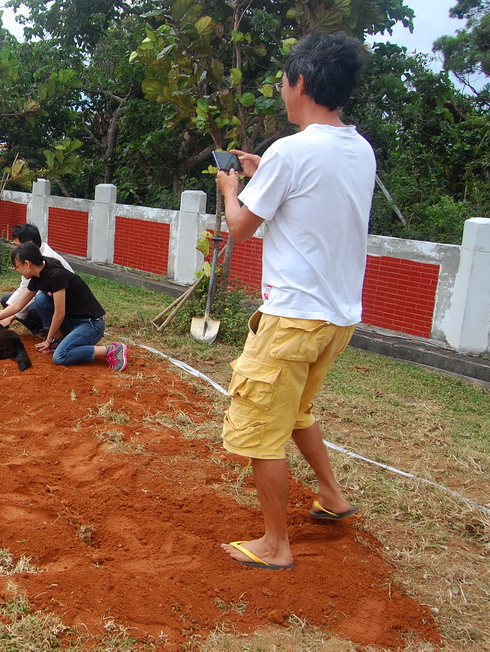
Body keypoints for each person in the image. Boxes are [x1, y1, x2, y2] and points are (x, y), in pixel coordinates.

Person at [214, 30, 374, 571]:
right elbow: (313, 199)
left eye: (283, 81)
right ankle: (332, 496)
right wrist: (265, 173)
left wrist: (231, 188)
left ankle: (275, 545)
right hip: (336, 318)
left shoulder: (292, 151)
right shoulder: (358, 148)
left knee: (260, 430)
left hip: (291, 318)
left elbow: (239, 227)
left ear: (300, 81)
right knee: (297, 411)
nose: (281, 91)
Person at [0, 242, 128, 371]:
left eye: (17, 266)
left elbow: (59, 313)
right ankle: (59, 340)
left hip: (91, 324)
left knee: (60, 357)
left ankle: (112, 349)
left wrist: (48, 339)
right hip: (73, 321)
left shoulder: (56, 276)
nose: (17, 270)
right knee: (41, 299)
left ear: (27, 264)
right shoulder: (37, 277)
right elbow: (18, 305)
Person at [0, 223, 73, 336]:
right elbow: (25, 288)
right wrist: (5, 313)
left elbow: (34, 294)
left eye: (18, 246)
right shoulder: (30, 256)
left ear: (29, 244)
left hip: (63, 303)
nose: (16, 250)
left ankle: (50, 331)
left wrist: (11, 316)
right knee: (7, 300)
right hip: (47, 296)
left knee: (39, 301)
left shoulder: (46, 260)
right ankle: (38, 328)